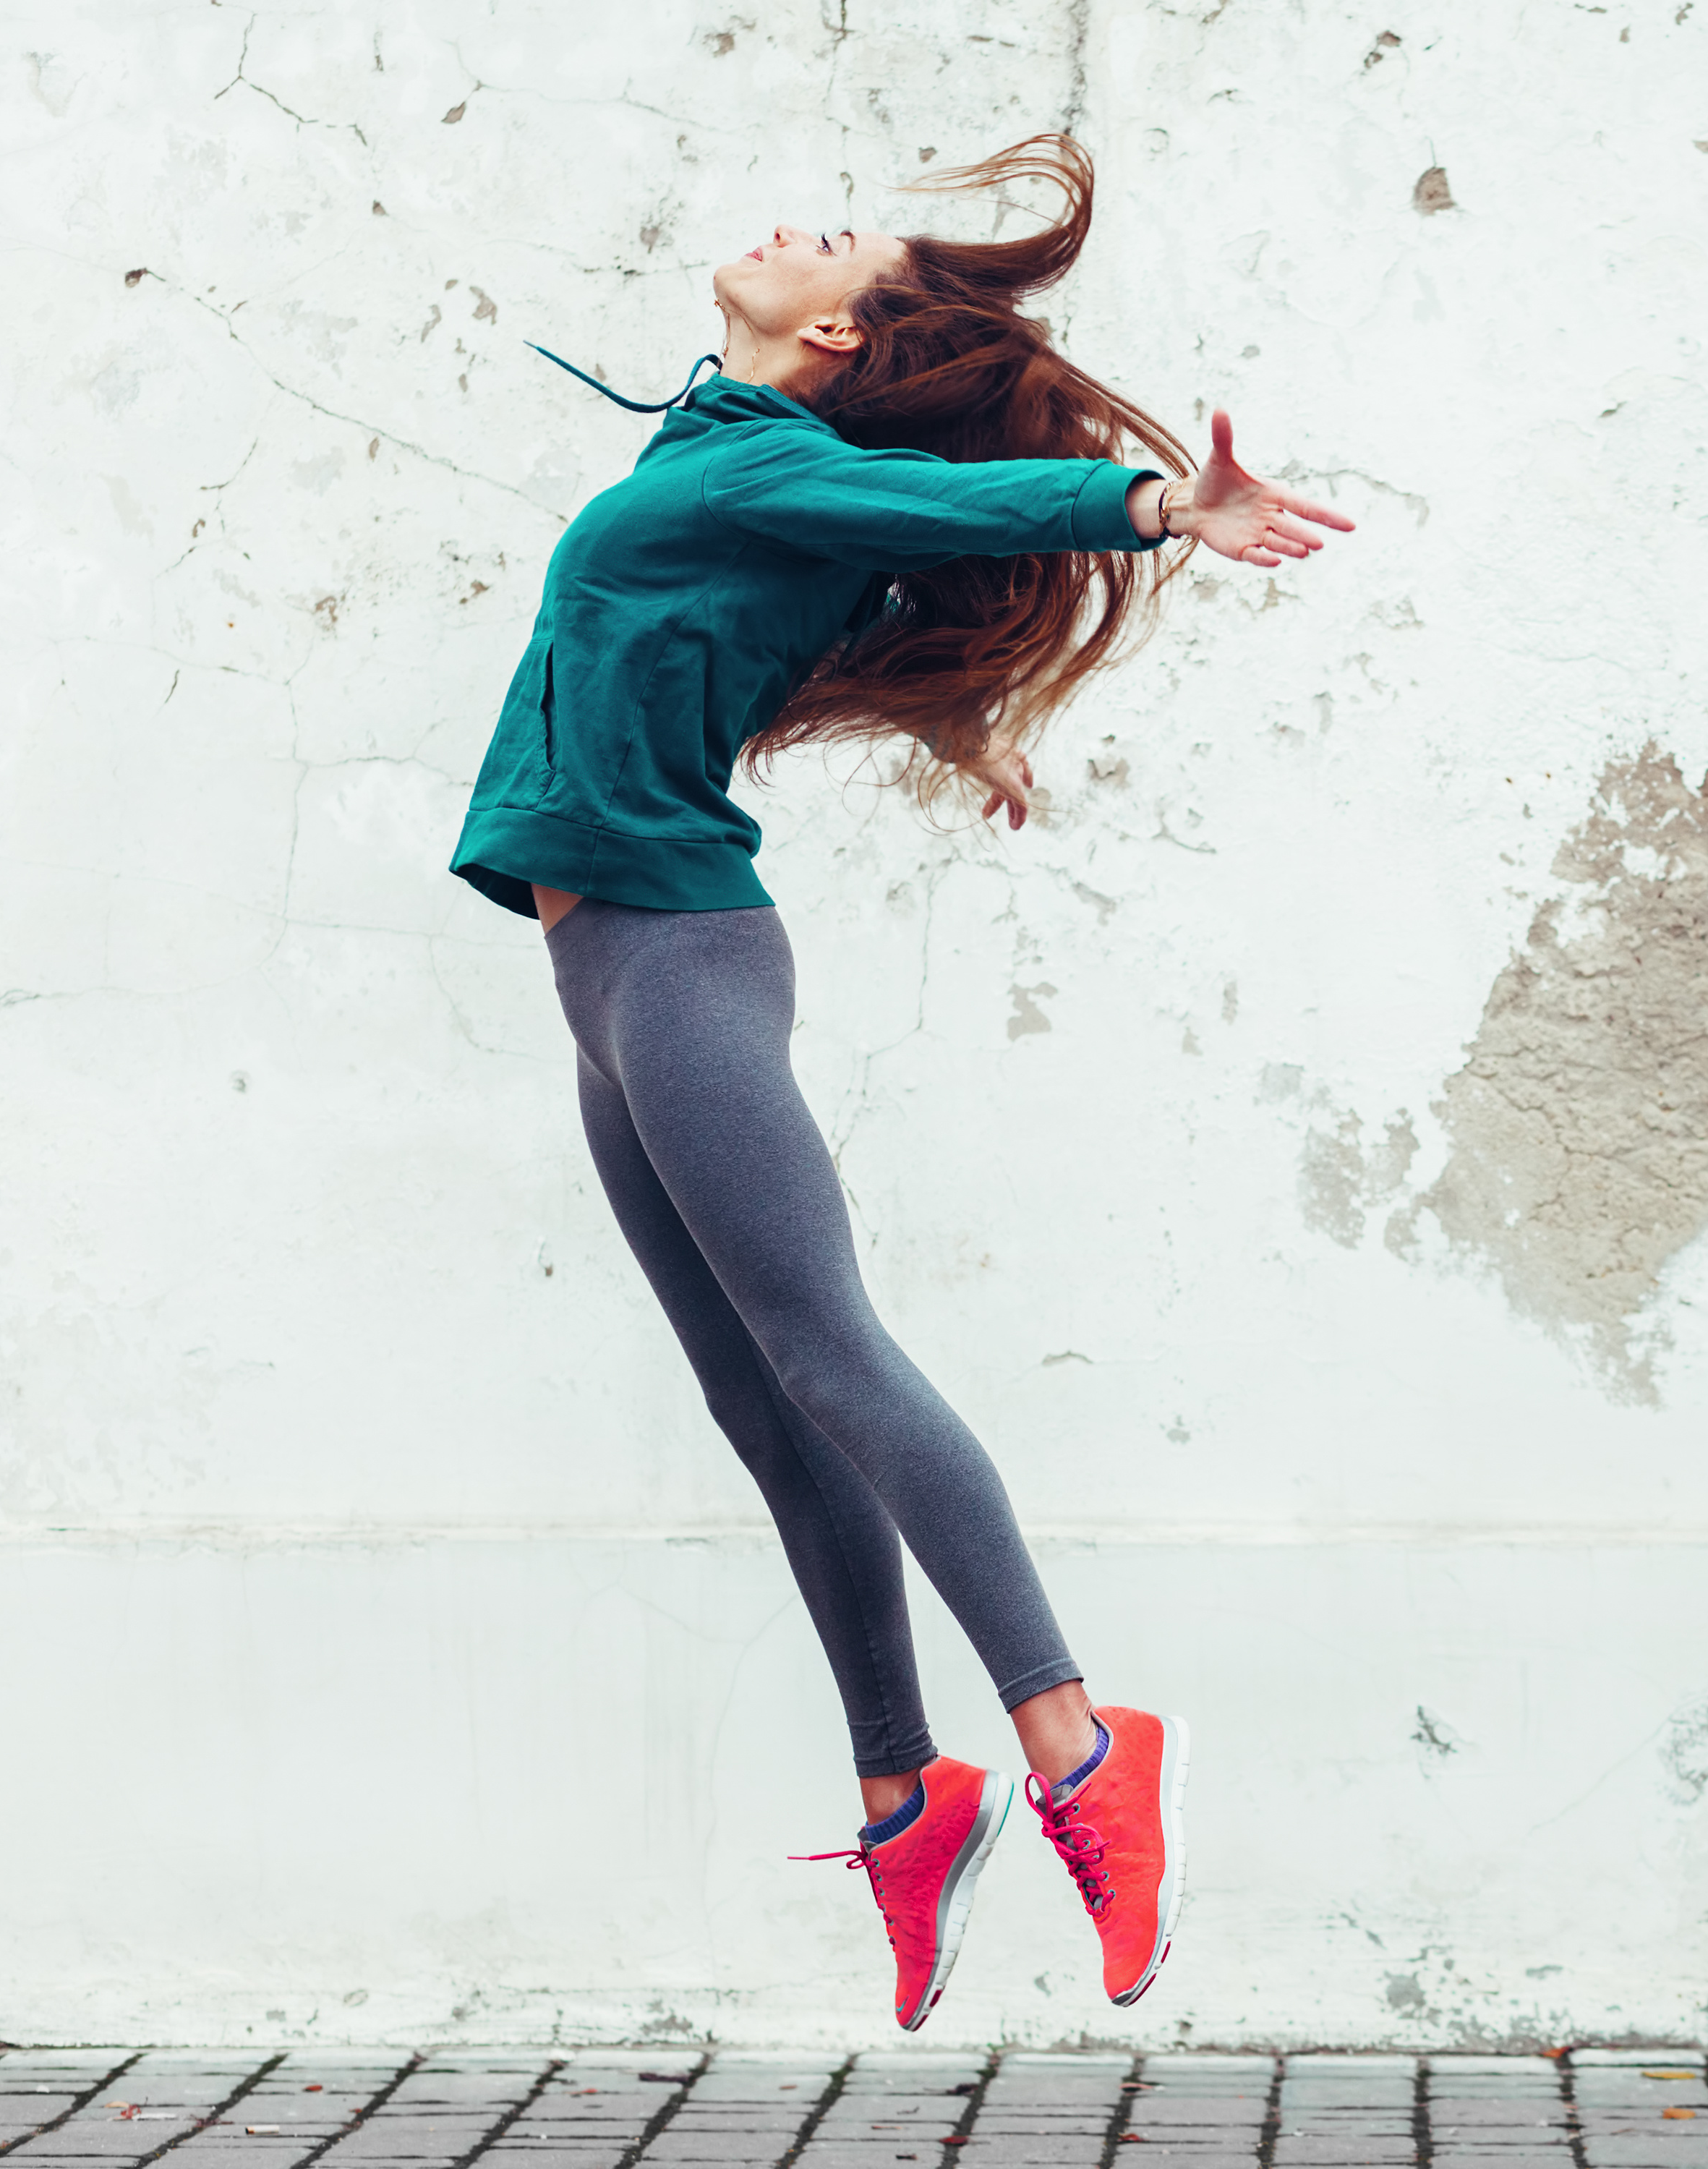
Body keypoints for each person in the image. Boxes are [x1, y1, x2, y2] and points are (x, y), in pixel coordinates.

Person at [445, 136, 1351, 2029]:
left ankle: (1082, 1748)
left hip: (674, 959)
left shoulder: (776, 459)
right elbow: (811, 593)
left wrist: (1155, 505)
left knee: (834, 1359)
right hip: (606, 968)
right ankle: (904, 1793)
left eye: (829, 241)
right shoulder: (719, 458)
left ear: (840, 326)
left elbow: (959, 513)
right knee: (765, 1405)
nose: (787, 225)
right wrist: (953, 715)